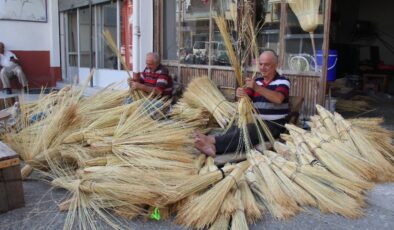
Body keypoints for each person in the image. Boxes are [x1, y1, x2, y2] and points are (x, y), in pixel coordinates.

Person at [195, 50, 290, 157]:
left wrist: (256, 88)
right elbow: (245, 99)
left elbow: (278, 98)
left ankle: (212, 142)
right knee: (235, 128)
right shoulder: (257, 81)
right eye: (261, 64)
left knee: (249, 131)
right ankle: (213, 145)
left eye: (267, 65)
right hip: (256, 122)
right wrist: (240, 94)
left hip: (274, 125)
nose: (262, 68)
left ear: (276, 65)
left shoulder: (283, 81)